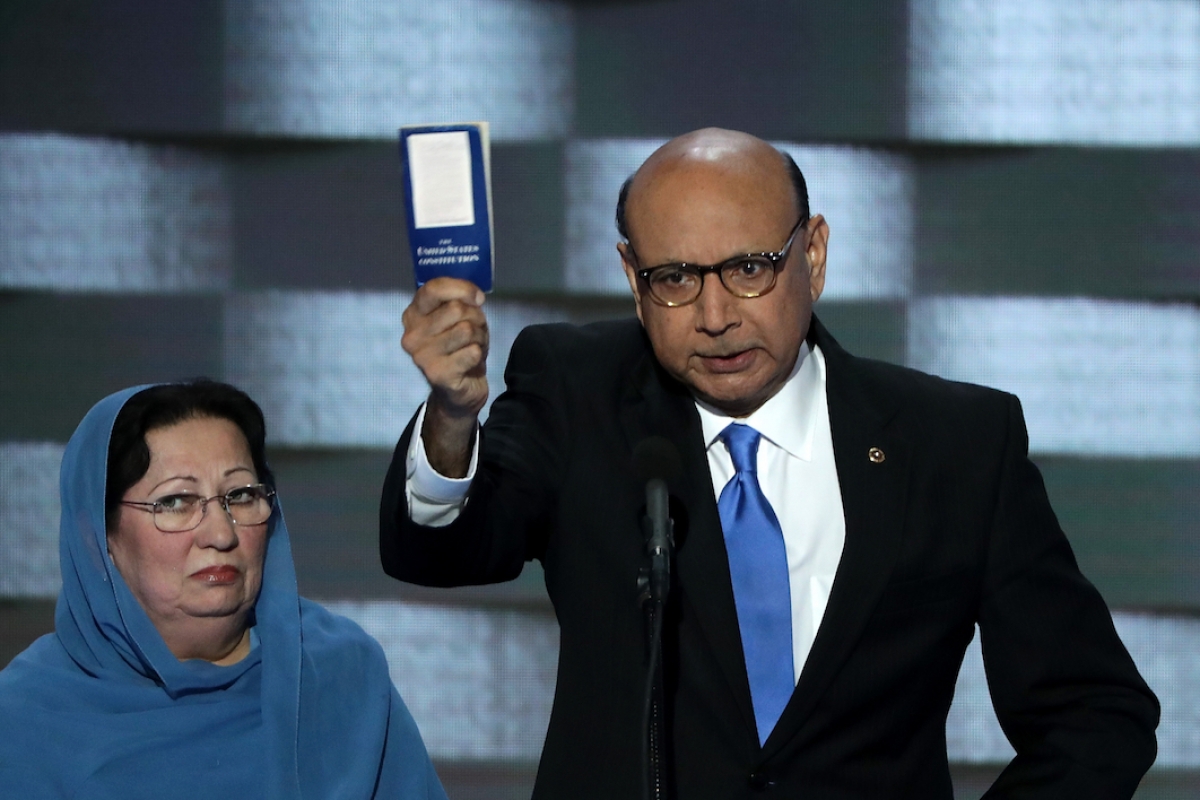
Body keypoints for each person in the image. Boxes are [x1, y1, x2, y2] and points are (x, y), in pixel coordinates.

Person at [381, 128, 1159, 798]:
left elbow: (1095, 715)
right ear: (632, 278)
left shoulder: (954, 442)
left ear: (812, 254)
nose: (716, 317)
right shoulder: (576, 389)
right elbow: (445, 548)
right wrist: (453, 416)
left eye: (750, 268)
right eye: (676, 279)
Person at [0, 380, 447, 800]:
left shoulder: (342, 673)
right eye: (175, 502)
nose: (220, 533)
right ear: (98, 539)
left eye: (241, 496)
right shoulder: (23, 719)